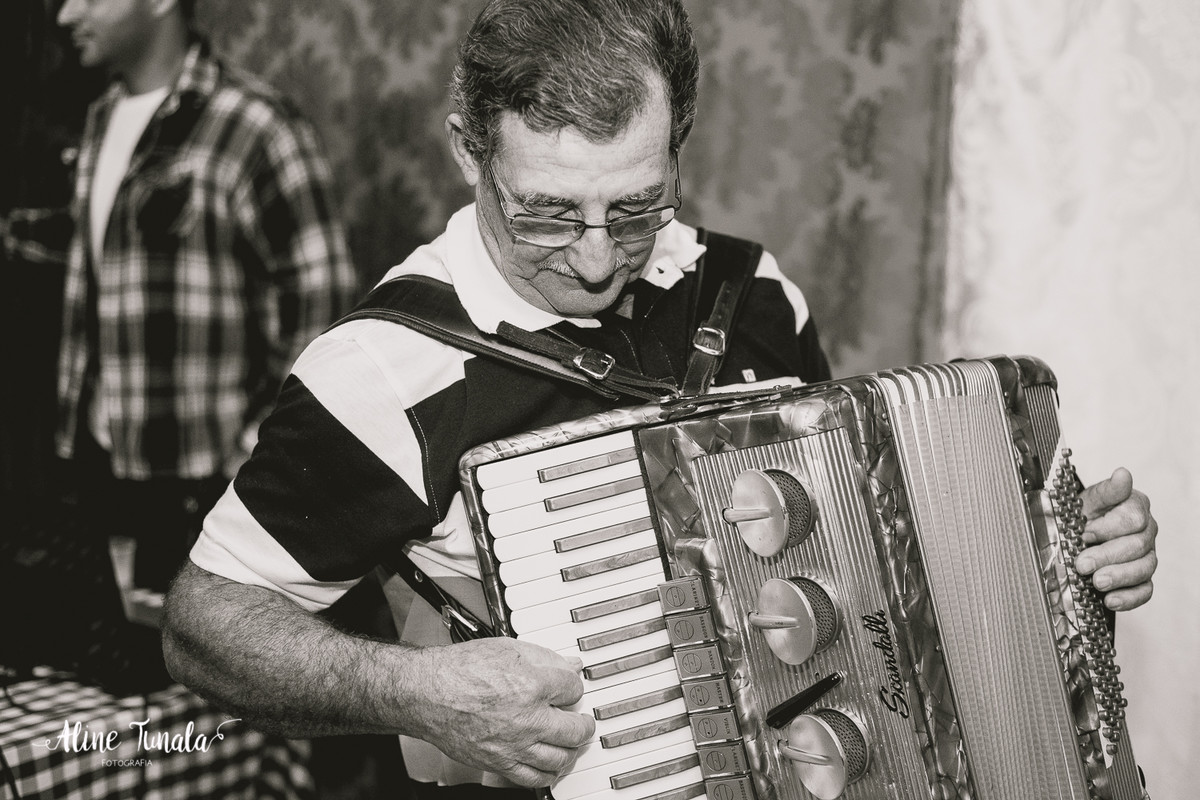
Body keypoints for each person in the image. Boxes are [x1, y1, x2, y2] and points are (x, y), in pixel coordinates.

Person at [161, 0, 1159, 796]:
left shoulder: (752, 292)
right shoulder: (382, 373)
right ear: (469, 150)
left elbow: (862, 550)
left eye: (634, 206)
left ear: (679, 142)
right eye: (548, 212)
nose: (595, 255)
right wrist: (413, 690)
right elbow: (203, 626)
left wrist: (1054, 555)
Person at [41, 0, 358, 593]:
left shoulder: (253, 123)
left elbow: (323, 310)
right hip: (103, 469)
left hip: (207, 483)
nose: (64, 15)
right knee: (109, 668)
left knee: (199, 673)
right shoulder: (100, 117)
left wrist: (253, 452)